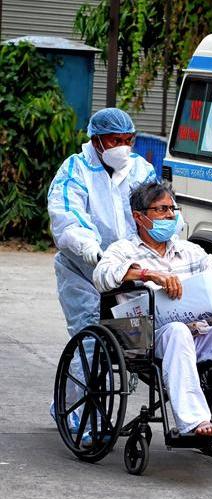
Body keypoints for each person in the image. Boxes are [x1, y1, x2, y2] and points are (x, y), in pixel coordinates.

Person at [93, 182, 212, 444]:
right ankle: (195, 422)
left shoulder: (188, 250)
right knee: (177, 330)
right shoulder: (122, 250)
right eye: (161, 210)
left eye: (173, 208)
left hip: (197, 331)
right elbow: (102, 276)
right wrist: (150, 274)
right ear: (139, 217)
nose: (170, 215)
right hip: (147, 337)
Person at [47, 108, 158, 435]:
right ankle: (80, 419)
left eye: (128, 140)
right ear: (96, 140)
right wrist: (94, 252)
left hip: (128, 274)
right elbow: (68, 220)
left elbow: (155, 215)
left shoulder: (141, 170)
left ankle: (66, 404)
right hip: (83, 273)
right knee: (90, 342)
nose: (122, 147)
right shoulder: (75, 171)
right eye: (115, 140)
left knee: (131, 347)